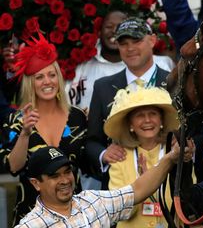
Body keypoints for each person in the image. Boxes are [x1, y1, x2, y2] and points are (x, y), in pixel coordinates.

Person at [0, 34, 87, 224]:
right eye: (39, 77)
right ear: (30, 82)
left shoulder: (78, 117)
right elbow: (13, 167)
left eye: (52, 75)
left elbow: (88, 162)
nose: (47, 82)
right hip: (31, 216)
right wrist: (25, 133)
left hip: (75, 214)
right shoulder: (16, 120)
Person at [85, 17, 171, 188]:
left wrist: (179, 144)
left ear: (152, 40)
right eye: (123, 43)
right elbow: (91, 141)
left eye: (137, 40)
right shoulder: (103, 87)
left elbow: (195, 133)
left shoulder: (173, 82)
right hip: (117, 187)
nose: (130, 48)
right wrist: (104, 154)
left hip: (167, 183)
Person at [14, 143, 187, 227]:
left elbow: (137, 190)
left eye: (67, 171)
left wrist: (171, 157)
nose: (65, 180)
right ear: (36, 184)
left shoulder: (92, 200)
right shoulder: (30, 225)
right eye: (54, 176)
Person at [103, 87, 187, 228]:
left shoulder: (175, 152)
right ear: (130, 124)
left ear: (161, 121)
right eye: (140, 115)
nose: (147, 120)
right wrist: (144, 182)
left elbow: (188, 201)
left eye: (153, 114)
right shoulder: (120, 157)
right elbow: (118, 211)